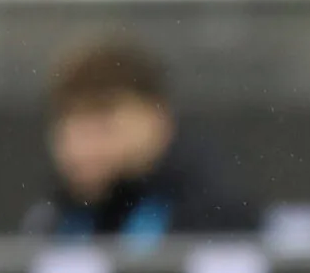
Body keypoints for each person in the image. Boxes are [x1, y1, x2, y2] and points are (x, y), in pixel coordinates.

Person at [26, 33, 260, 241]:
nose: (81, 146)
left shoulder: (216, 219)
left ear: (158, 118)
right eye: (68, 125)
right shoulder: (51, 223)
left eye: (103, 124)